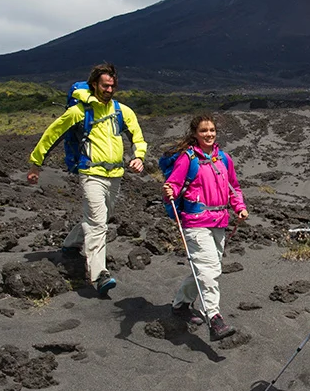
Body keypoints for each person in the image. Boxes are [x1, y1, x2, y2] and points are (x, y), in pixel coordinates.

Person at [27, 63, 146, 296]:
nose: (109, 90)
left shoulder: (122, 111)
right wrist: (35, 164)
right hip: (91, 173)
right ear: (94, 84)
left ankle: (70, 244)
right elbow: (51, 135)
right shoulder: (79, 112)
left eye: (112, 86)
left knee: (98, 217)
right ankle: (100, 274)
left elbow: (138, 138)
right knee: (99, 222)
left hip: (115, 175)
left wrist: (139, 156)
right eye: (105, 85)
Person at [161, 114, 248, 341]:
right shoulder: (187, 159)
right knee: (209, 270)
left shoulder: (224, 159)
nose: (208, 134)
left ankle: (180, 306)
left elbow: (233, 187)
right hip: (195, 221)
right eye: (203, 131)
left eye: (211, 130)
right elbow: (175, 184)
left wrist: (239, 206)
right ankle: (215, 318)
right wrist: (170, 190)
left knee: (205, 269)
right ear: (195, 134)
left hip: (219, 220)